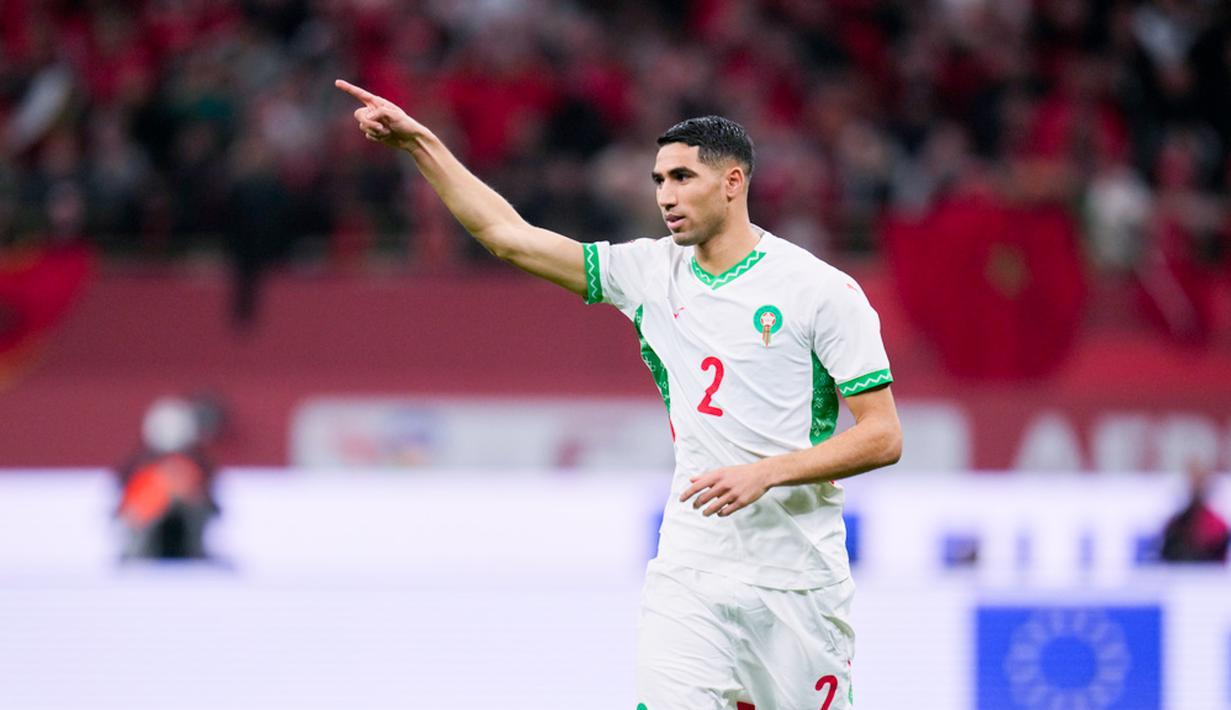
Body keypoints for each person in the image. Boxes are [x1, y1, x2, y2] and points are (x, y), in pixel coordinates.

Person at [337, 79, 902, 709]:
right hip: (691, 572)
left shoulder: (821, 291)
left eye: (683, 178)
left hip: (798, 581)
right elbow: (509, 235)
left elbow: (883, 435)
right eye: (659, 180)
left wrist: (769, 472)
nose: (666, 196)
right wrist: (421, 144)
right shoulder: (648, 272)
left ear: (733, 183)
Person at [1159, 459, 1229, 563]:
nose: (1195, 485)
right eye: (1192, 480)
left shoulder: (1217, 524)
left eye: (1199, 480)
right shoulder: (1176, 522)